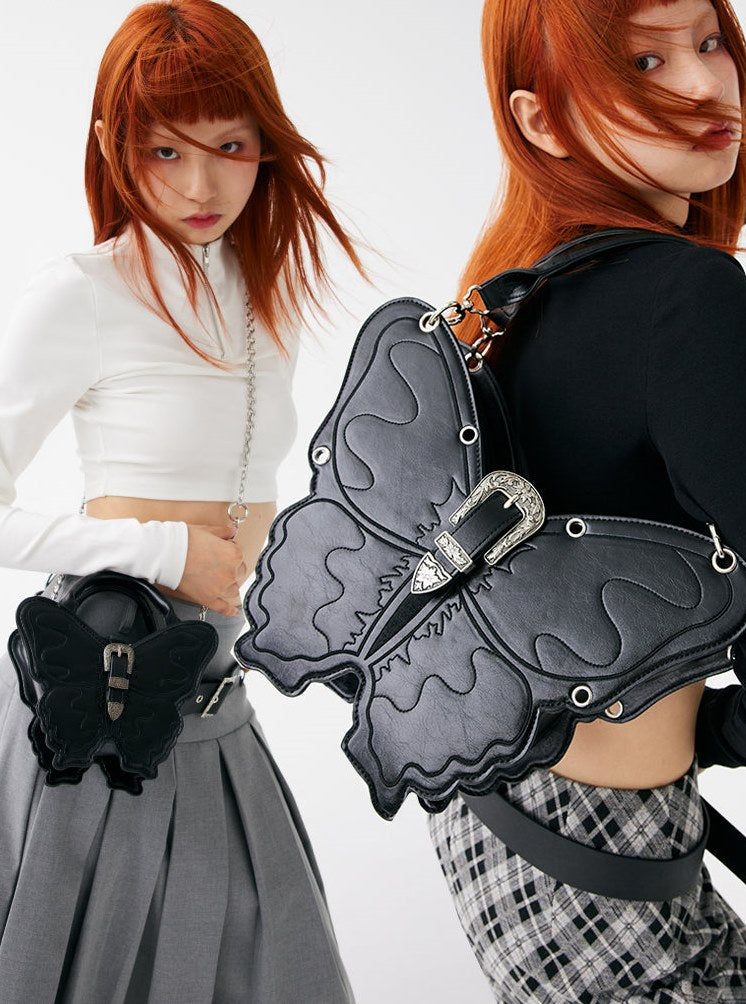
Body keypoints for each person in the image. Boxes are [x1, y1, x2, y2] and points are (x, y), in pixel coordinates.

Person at [0, 1, 362, 1000]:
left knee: (264, 954)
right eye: (164, 151)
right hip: (108, 676)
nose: (201, 186)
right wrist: (163, 551)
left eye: (230, 147)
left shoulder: (261, 291)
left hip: (216, 678)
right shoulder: (82, 290)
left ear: (266, 145)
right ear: (114, 146)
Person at [427, 0, 746, 1000]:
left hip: (499, 828)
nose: (704, 84)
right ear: (541, 119)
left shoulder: (499, 298)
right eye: (643, 62)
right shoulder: (685, 295)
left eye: (708, 41)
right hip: (612, 858)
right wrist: (726, 730)